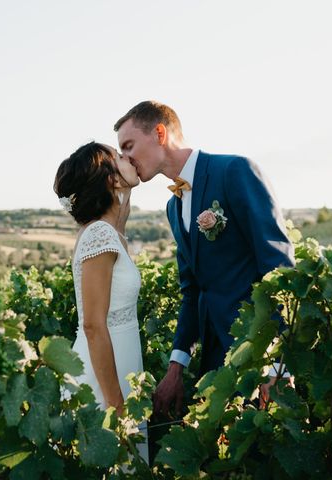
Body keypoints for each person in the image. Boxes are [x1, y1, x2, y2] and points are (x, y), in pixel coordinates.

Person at [114, 101, 295, 417]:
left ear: (159, 133)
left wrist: (278, 364)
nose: (125, 158)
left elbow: (277, 264)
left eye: (128, 146)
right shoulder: (173, 207)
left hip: (260, 357)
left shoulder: (234, 171)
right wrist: (176, 366)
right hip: (214, 365)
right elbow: (192, 290)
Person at [53, 141, 148, 462]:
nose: (128, 158)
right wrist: (116, 406)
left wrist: (126, 190)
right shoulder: (99, 235)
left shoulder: (108, 231)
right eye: (120, 157)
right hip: (104, 376)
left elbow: (120, 215)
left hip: (120, 361)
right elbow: (93, 325)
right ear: (111, 180)